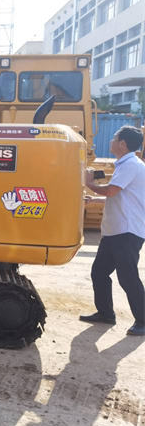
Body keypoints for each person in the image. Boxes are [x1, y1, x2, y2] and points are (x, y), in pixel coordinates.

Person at [80, 125, 145, 336]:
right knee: (99, 272)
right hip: (115, 231)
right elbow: (122, 197)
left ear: (122, 144)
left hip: (127, 232)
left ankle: (143, 321)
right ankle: (106, 313)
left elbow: (111, 191)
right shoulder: (126, 164)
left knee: (128, 277)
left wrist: (89, 184)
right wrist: (94, 199)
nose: (111, 141)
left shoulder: (131, 165)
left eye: (114, 138)